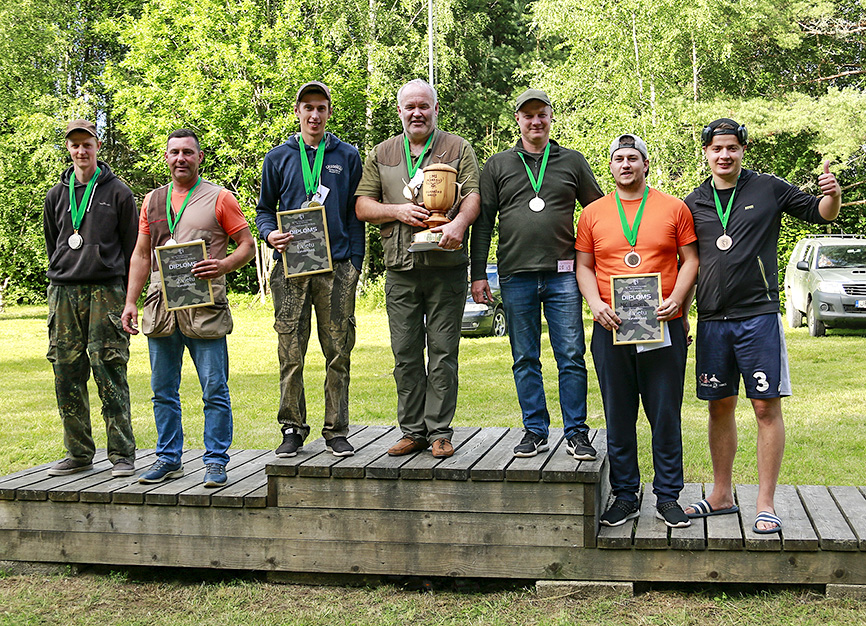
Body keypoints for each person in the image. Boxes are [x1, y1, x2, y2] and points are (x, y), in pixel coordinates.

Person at [683, 118, 841, 533]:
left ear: (742, 151)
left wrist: (833, 196)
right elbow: (683, 262)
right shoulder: (693, 202)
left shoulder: (768, 188)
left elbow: (820, 214)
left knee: (765, 407)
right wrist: (680, 312)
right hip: (714, 319)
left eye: (732, 148)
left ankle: (765, 503)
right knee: (720, 406)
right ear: (706, 153)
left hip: (759, 317)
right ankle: (720, 495)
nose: (724, 155)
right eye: (717, 149)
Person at [470, 89, 603, 459]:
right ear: (518, 120)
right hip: (515, 276)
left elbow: (598, 213)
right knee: (524, 357)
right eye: (528, 116)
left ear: (550, 117)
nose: (535, 121)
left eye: (541, 114)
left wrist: (605, 265)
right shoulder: (498, 165)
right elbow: (482, 224)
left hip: (564, 275)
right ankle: (535, 431)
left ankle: (577, 432)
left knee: (571, 355)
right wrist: (478, 274)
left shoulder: (572, 161)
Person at [575, 134, 699, 527]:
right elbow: (583, 266)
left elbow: (690, 260)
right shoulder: (593, 213)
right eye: (618, 159)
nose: (625, 164)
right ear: (610, 167)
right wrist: (595, 305)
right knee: (619, 413)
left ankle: (668, 496)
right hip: (611, 327)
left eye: (633, 158)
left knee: (665, 413)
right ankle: (625, 495)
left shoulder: (674, 208)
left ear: (645, 164)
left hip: (662, 325)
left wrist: (678, 301)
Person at [120, 129, 255, 487]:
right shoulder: (151, 200)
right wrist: (131, 301)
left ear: (199, 158)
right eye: (174, 152)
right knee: (163, 390)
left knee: (214, 388)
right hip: (161, 308)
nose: (181, 158)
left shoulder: (219, 197)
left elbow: (247, 244)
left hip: (204, 308)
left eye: (188, 153)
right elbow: (140, 254)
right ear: (166, 157)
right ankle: (168, 458)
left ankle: (215, 461)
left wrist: (225, 265)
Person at [355, 79, 481, 459]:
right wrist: (397, 211)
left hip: (447, 266)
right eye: (409, 107)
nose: (417, 113)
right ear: (399, 111)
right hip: (401, 267)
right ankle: (413, 431)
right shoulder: (383, 152)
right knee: (405, 353)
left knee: (443, 352)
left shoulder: (457, 148)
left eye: (424, 106)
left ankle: (440, 431)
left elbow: (474, 196)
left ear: (435, 108)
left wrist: (458, 225)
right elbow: (362, 205)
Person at [255, 81, 364, 458]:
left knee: (338, 351)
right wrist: (270, 236)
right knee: (291, 351)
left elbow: (355, 213)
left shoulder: (347, 156)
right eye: (307, 108)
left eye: (321, 108)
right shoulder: (278, 157)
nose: (314, 115)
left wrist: (354, 264)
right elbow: (264, 210)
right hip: (291, 270)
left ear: (329, 112)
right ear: (298, 112)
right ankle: (292, 427)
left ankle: (336, 430)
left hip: (336, 268)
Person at [43, 119, 138, 478]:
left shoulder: (118, 192)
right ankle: (78, 452)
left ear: (98, 146)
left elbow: (132, 248)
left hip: (107, 292)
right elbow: (54, 243)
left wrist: (130, 297)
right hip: (64, 292)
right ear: (68, 149)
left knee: (109, 368)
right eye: (75, 145)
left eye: (87, 144)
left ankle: (122, 454)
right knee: (66, 372)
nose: (81, 151)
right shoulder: (56, 194)